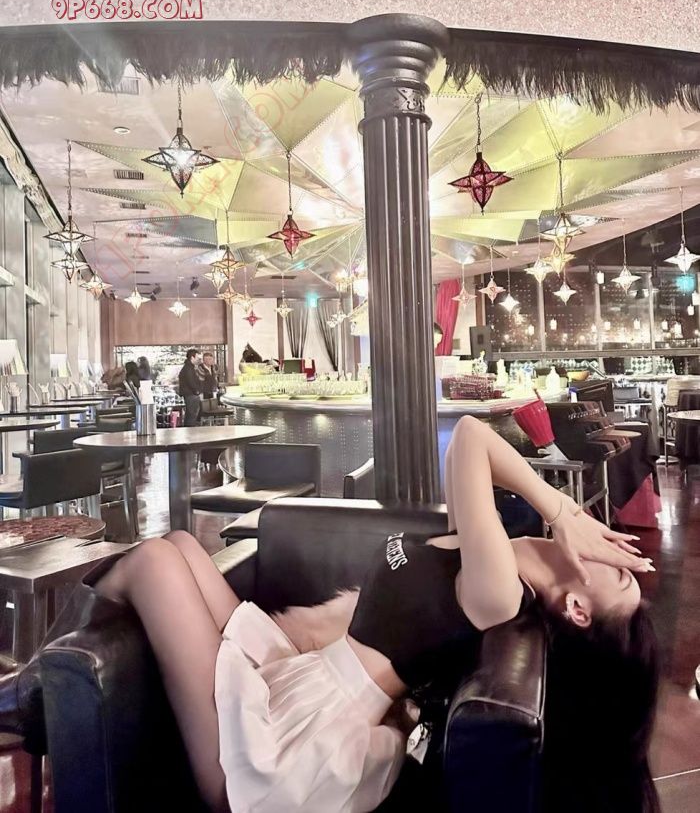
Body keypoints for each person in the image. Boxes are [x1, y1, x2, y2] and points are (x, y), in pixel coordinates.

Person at [83, 417, 659, 813]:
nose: (616, 551)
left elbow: (471, 435)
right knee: (183, 544)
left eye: (620, 573)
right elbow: (465, 453)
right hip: (297, 680)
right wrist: (561, 517)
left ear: (577, 609)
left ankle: (41, 698)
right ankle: (60, 691)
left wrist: (561, 510)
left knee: (156, 560)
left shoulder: (500, 593)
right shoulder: (493, 551)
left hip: (292, 748)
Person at [178, 348, 202, 427]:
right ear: (192, 357)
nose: (198, 360)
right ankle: (190, 431)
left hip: (189, 394)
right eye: (197, 357)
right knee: (192, 415)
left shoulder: (188, 367)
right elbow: (191, 381)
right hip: (191, 394)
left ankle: (188, 430)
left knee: (190, 415)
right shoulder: (189, 368)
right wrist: (197, 391)